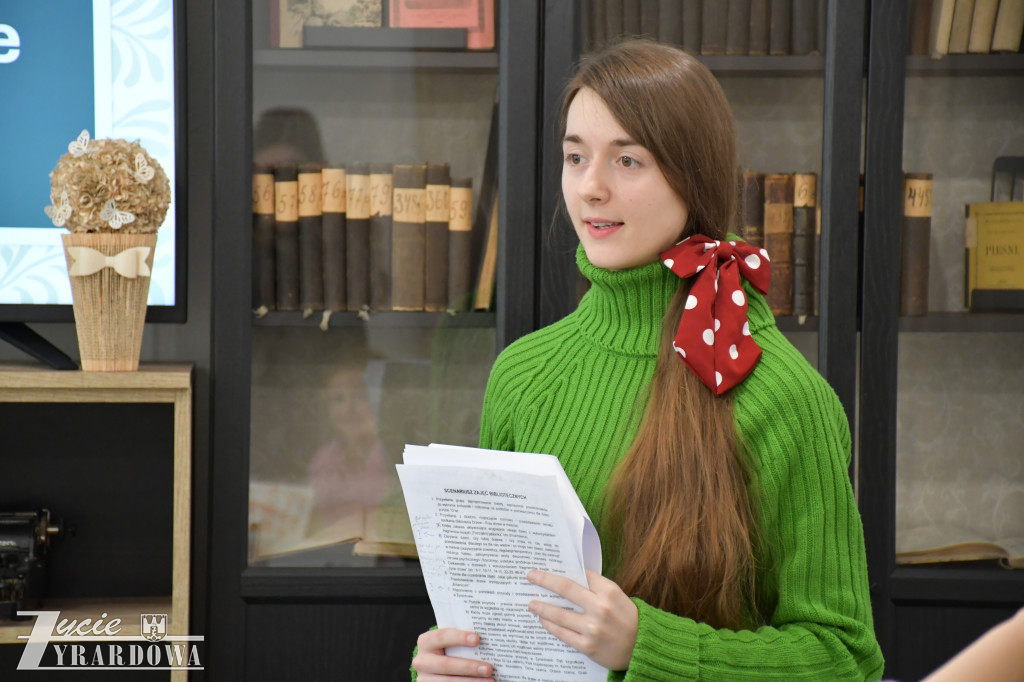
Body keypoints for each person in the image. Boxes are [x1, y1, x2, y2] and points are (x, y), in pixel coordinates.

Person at [411, 39, 884, 681]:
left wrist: (647, 649)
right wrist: (451, 665)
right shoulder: (523, 373)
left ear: (694, 176)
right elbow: (501, 618)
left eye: (627, 160)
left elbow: (844, 659)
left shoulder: (781, 395)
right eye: (575, 156)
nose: (590, 188)